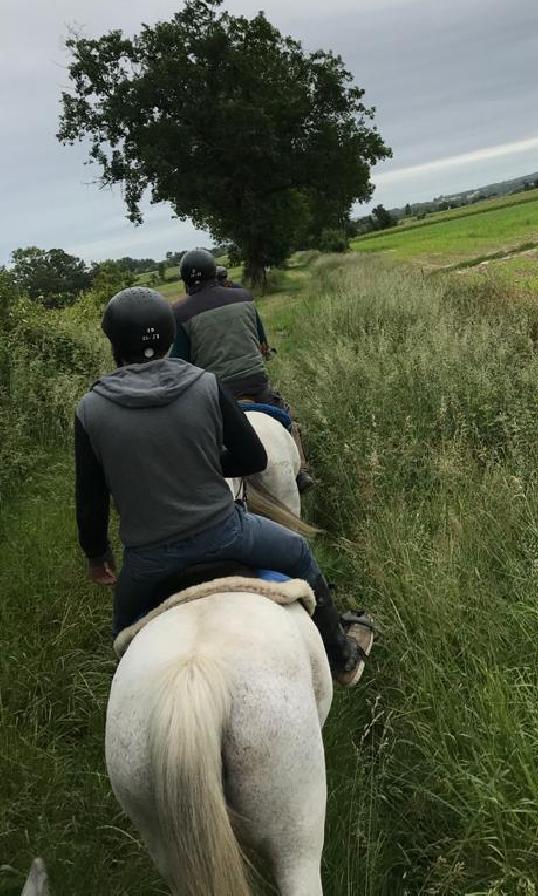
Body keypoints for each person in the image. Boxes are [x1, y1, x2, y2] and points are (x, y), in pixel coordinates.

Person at [75, 285, 372, 686]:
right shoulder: (206, 384)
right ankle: (342, 661)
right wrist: (203, 465)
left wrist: (98, 557)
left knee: (124, 641)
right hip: (227, 534)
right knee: (299, 552)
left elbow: (90, 498)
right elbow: (254, 459)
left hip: (149, 559)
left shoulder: (91, 408)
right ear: (167, 336)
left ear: (114, 343)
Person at [170, 248, 313, 489]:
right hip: (256, 384)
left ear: (186, 281)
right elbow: (263, 344)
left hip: (216, 394)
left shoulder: (180, 312)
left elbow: (180, 363)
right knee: (288, 418)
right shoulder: (244, 296)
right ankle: (302, 472)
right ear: (213, 273)